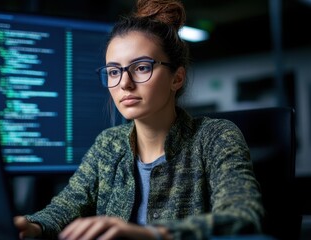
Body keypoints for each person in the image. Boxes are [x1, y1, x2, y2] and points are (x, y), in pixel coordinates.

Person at [14, 0, 264, 239]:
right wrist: (32, 225)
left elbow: (242, 215)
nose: (124, 83)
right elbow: (65, 208)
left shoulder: (215, 137)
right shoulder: (108, 144)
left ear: (176, 78)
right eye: (114, 71)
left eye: (142, 67)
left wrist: (154, 234)